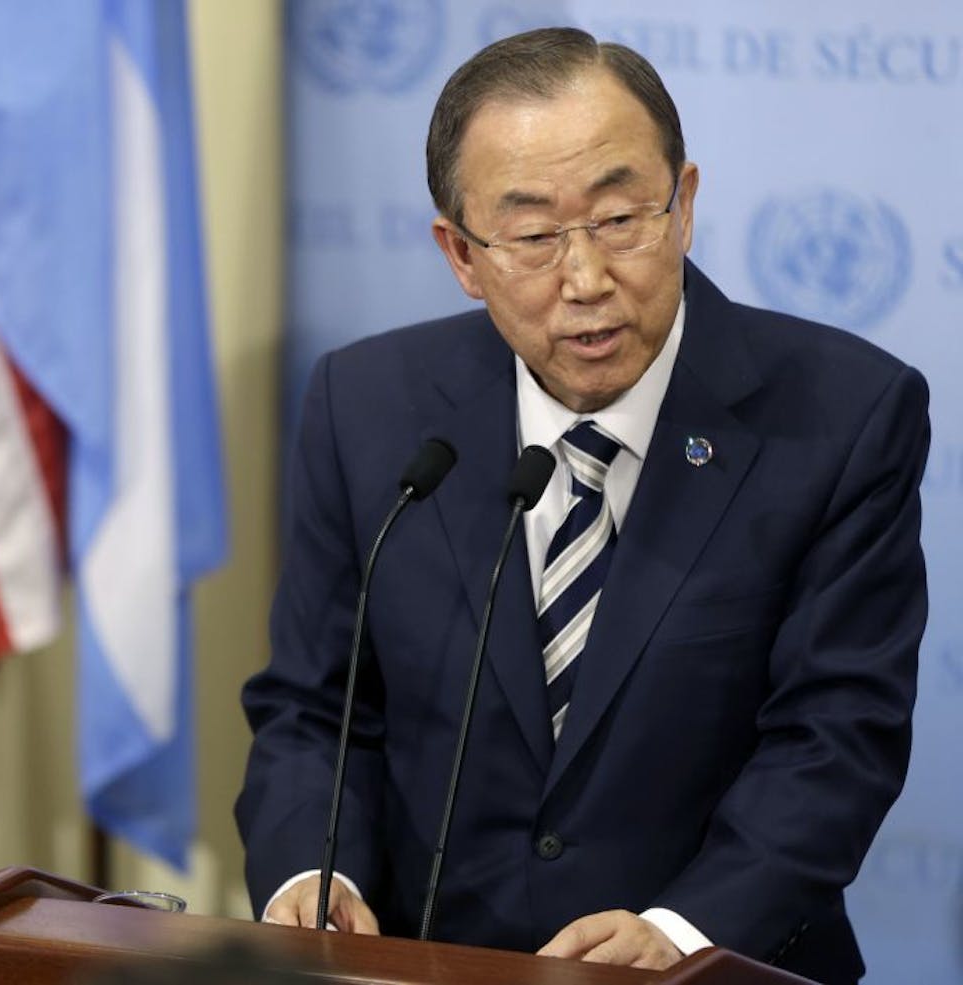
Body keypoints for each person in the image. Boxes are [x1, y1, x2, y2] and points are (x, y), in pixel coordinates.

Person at [235, 27, 928, 985]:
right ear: (462, 255)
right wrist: (313, 871)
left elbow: (836, 739)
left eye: (620, 219)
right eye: (532, 236)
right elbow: (316, 710)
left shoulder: (844, 414)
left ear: (684, 205)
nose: (587, 280)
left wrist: (685, 931)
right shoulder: (367, 408)